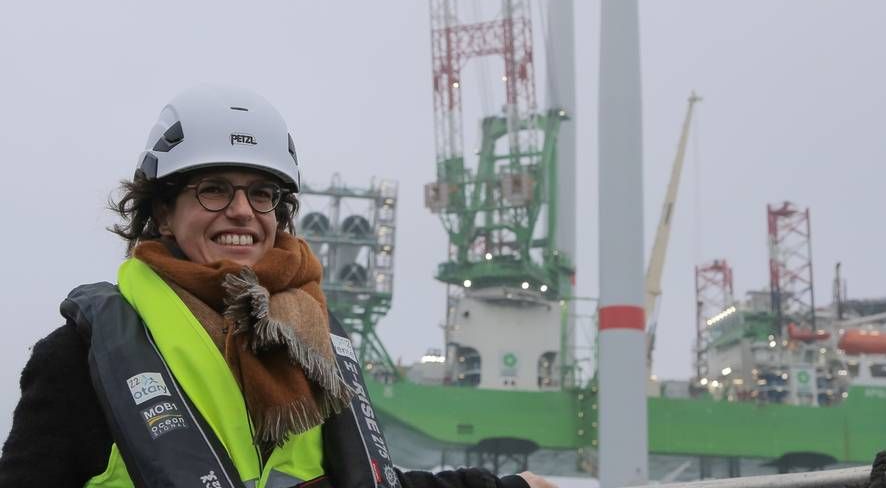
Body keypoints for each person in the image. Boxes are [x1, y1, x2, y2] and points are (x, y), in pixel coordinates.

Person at [0, 85, 557, 488]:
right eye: (214, 190)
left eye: (262, 194)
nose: (242, 212)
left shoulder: (308, 342)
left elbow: (361, 482)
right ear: (163, 214)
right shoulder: (81, 358)